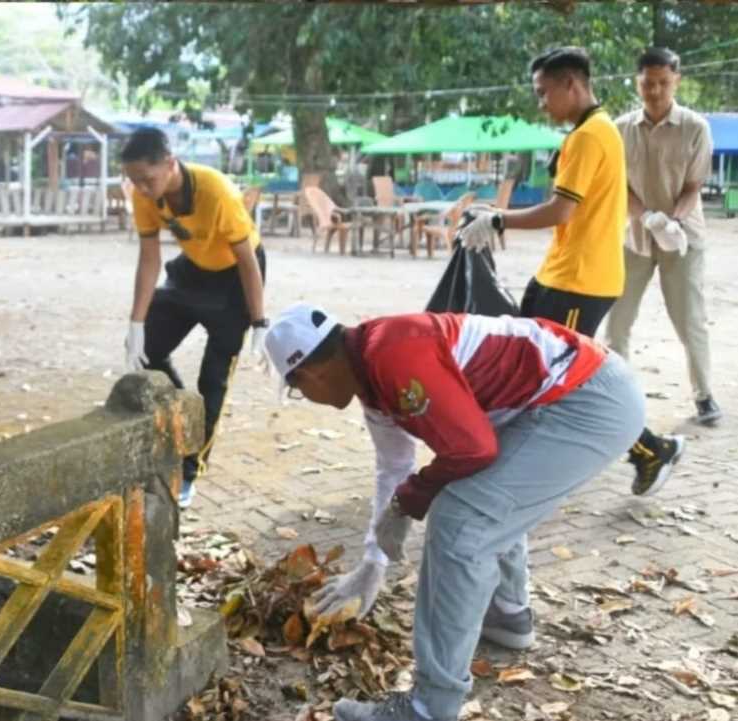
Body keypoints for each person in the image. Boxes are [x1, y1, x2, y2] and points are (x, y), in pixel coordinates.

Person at [264, 303, 645, 721]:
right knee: (483, 495)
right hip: (571, 394)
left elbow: (472, 449)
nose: (309, 399)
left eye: (299, 390)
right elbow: (393, 467)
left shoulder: (394, 354)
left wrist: (410, 499)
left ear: (309, 372)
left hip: (586, 400)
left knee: (461, 520)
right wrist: (372, 564)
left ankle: (430, 707)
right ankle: (506, 614)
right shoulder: (369, 375)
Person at [459, 46, 683, 496]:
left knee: (567, 382)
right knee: (530, 367)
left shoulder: (589, 136)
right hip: (561, 274)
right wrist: (495, 214)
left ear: (571, 85)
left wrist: (499, 219)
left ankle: (649, 450)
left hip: (581, 281)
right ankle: (509, 455)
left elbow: (561, 211)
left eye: (544, 93)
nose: (541, 103)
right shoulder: (594, 131)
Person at [121, 127, 269, 509]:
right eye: (134, 180)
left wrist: (259, 322)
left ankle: (190, 470)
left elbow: (248, 259)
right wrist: (136, 322)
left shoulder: (215, 190)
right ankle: (186, 407)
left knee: (213, 379)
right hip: (193, 270)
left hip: (236, 279)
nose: (141, 188)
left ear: (170, 164)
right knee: (148, 350)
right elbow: (149, 257)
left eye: (147, 179)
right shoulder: (144, 195)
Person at [606, 47, 721, 426]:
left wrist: (671, 223)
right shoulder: (620, 129)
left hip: (683, 238)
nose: (654, 91)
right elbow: (619, 186)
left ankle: (704, 396)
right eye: (647, 83)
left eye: (663, 83)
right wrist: (649, 218)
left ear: (677, 81)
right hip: (634, 237)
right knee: (618, 320)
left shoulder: (695, 127)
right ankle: (617, 398)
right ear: (636, 82)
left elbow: (693, 185)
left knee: (690, 319)